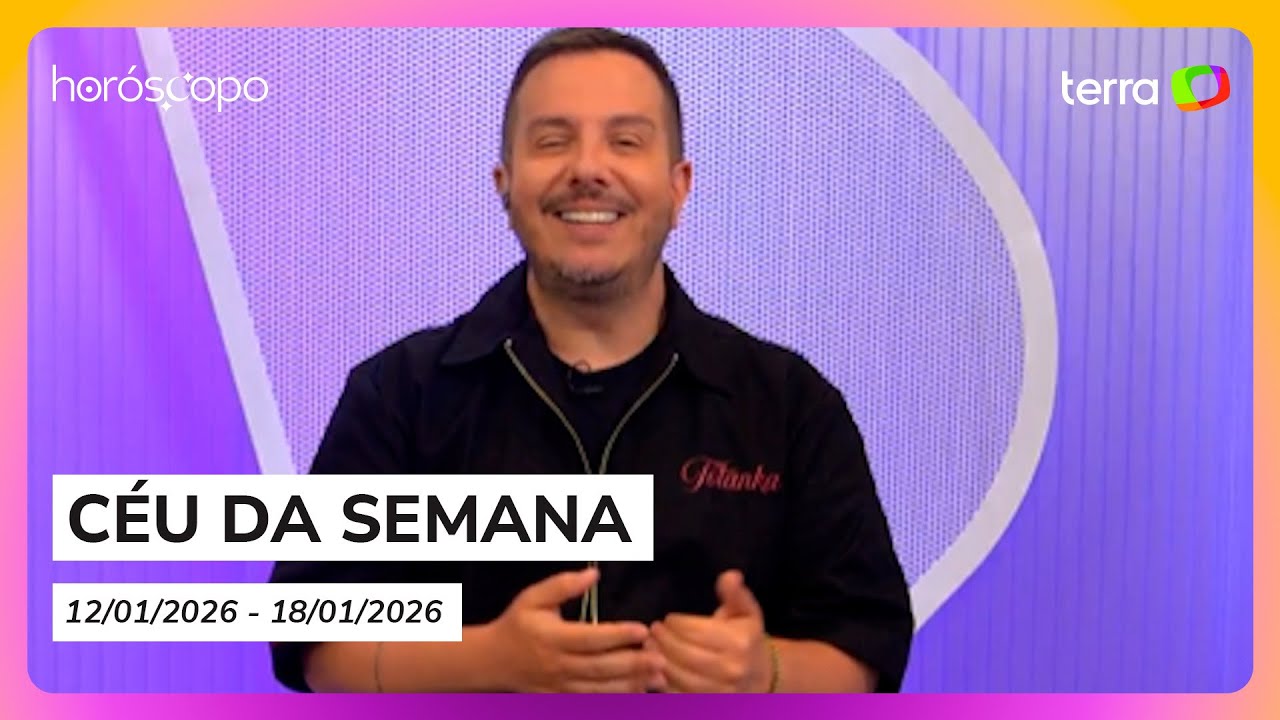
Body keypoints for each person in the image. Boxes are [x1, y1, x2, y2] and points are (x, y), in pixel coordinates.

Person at [269, 27, 913, 694]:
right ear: (505, 185)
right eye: (553, 141)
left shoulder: (788, 406)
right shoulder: (399, 395)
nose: (588, 169)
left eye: (625, 141)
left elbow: (864, 652)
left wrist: (763, 674)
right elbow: (317, 647)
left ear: (679, 187)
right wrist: (487, 661)